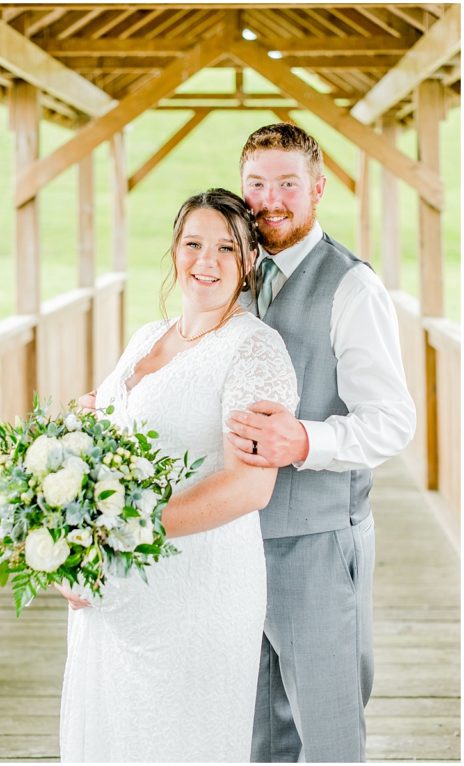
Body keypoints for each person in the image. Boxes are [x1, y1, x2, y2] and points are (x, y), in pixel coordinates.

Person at [58, 188, 299, 762]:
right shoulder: (148, 335)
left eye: (226, 249)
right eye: (193, 243)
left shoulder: (255, 350)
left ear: (248, 266)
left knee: (177, 739)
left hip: (196, 587)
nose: (205, 261)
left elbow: (251, 484)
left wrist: (117, 536)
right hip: (118, 592)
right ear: (174, 250)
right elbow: (107, 421)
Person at [226, 123, 415, 763]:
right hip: (234, 541)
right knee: (258, 733)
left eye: (287, 184)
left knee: (329, 733)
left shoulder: (352, 287)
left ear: (318, 189)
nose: (270, 199)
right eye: (257, 184)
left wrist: (304, 438)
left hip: (318, 542)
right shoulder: (231, 274)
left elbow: (392, 420)